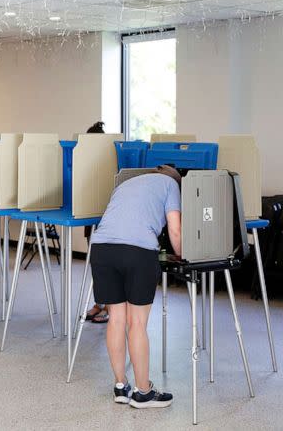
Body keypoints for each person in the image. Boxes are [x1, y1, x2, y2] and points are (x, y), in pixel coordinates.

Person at [89, 164, 181, 408]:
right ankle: (143, 392)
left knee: (116, 319)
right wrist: (182, 254)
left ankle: (120, 386)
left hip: (101, 249)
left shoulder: (127, 183)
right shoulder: (171, 185)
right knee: (137, 323)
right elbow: (175, 228)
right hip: (137, 252)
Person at [85, 121, 109, 323]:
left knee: (107, 266)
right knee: (96, 265)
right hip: (90, 220)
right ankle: (98, 303)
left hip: (107, 222)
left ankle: (110, 307)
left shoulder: (110, 162)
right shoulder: (84, 161)